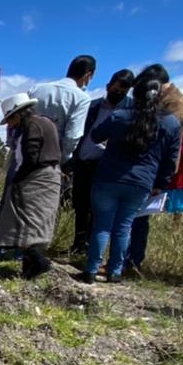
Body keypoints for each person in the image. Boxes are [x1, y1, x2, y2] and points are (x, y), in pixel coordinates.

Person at [81, 66, 182, 283]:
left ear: (134, 94)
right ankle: (115, 271)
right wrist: (162, 183)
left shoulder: (119, 116)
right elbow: (171, 158)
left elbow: (96, 135)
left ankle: (91, 269)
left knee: (102, 226)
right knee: (123, 227)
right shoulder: (170, 123)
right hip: (141, 182)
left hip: (108, 177)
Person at [124, 63, 183, 275]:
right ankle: (127, 260)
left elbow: (166, 143)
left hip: (153, 169)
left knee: (138, 218)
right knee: (133, 218)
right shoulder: (167, 99)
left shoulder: (175, 103)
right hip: (147, 167)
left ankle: (131, 261)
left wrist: (162, 180)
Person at [0, 93, 62, 279]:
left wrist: (18, 180)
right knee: (35, 223)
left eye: (11, 119)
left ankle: (39, 262)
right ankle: (29, 270)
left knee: (23, 222)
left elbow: (30, 158)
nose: (10, 124)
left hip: (35, 179)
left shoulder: (32, 126)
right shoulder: (44, 123)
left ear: (18, 114)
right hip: (48, 177)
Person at [70, 70, 136, 252]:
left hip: (107, 166)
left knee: (98, 208)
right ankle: (78, 244)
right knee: (80, 204)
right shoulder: (93, 106)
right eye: (115, 89)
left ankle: (92, 247)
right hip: (84, 161)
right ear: (108, 86)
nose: (117, 93)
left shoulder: (131, 110)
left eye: (122, 91)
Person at [29, 55, 95, 160]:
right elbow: (72, 136)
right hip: (50, 157)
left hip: (25, 150)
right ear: (88, 75)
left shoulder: (37, 89)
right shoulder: (81, 98)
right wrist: (63, 158)